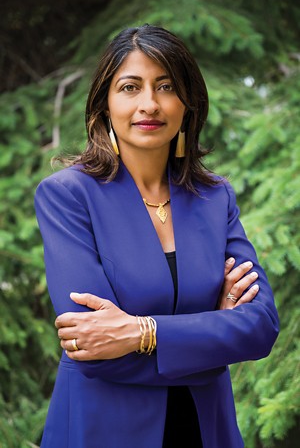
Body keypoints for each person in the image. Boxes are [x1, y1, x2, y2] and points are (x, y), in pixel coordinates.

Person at [35, 24, 279, 448]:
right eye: (130, 87)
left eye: (165, 86)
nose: (149, 104)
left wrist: (140, 332)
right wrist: (215, 335)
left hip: (207, 429)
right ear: (104, 105)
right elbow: (91, 349)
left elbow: (260, 327)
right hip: (104, 430)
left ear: (187, 103)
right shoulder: (68, 196)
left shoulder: (214, 197)